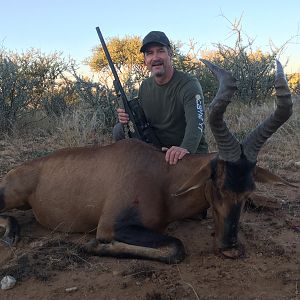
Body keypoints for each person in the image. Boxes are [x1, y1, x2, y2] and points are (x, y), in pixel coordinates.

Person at [113, 31, 208, 165]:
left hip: (185, 153)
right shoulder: (145, 86)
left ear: (170, 53)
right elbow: (143, 123)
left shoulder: (189, 84)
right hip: (158, 151)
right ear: (145, 60)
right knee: (119, 129)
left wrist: (185, 148)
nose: (155, 57)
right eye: (149, 53)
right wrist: (127, 118)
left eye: (160, 51)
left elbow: (196, 124)